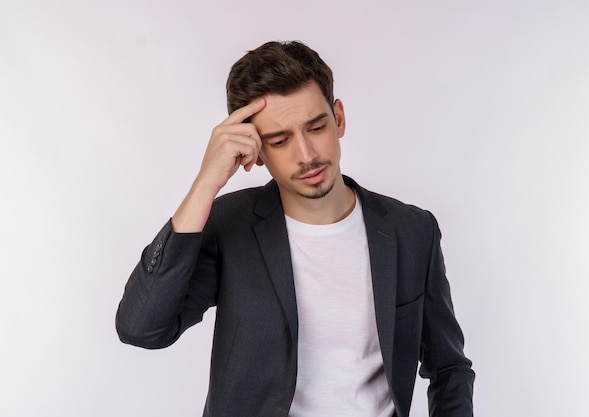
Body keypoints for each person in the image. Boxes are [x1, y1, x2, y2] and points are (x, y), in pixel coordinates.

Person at [116, 40, 475, 417]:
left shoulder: (412, 230)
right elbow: (142, 328)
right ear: (253, 149)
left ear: (338, 118)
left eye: (316, 127)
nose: (306, 156)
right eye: (280, 140)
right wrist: (206, 182)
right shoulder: (229, 226)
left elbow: (449, 367)